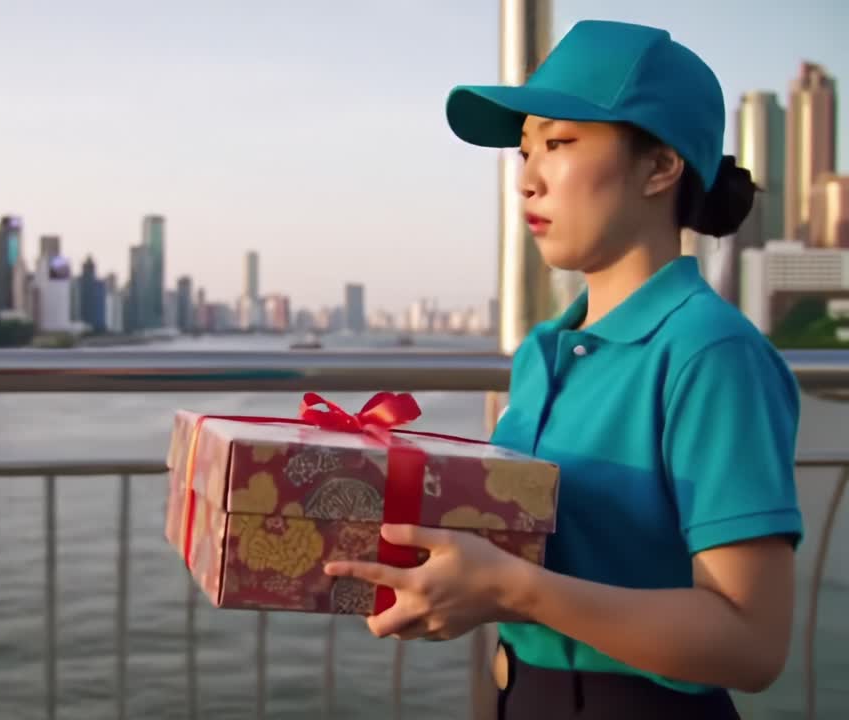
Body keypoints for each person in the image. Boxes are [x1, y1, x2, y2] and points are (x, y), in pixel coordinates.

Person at [324, 19, 803, 720]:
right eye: (525, 151)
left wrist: (511, 589)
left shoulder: (710, 354)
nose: (527, 180)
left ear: (660, 166)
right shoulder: (542, 351)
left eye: (559, 143)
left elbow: (751, 644)